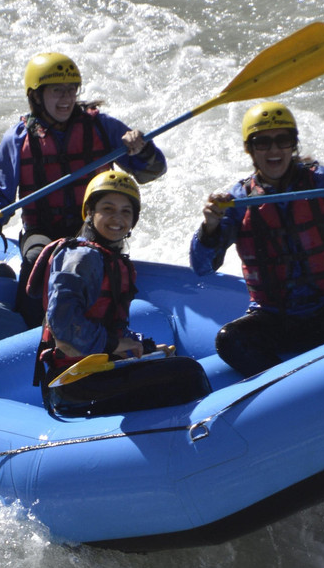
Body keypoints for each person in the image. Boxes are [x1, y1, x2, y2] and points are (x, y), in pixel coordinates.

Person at [190, 101, 324, 377]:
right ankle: (288, 384)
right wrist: (210, 225)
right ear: (250, 149)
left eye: (282, 140)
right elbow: (202, 266)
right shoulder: (238, 200)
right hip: (277, 319)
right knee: (229, 339)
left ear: (293, 145)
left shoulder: (321, 181)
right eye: (262, 142)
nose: (274, 150)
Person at [0, 52, 168, 326]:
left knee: (90, 256)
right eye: (57, 91)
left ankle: (105, 322)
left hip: (93, 226)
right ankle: (32, 325)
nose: (66, 98)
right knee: (38, 257)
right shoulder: (17, 139)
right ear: (37, 96)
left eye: (71, 89)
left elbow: (152, 171)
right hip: (42, 230)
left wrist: (142, 149)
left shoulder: (103, 127)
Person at [28, 171, 210, 416]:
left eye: (126, 211)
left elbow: (108, 326)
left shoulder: (108, 258)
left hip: (95, 373)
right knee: (187, 373)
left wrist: (141, 346)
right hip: (71, 384)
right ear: (90, 212)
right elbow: (64, 328)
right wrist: (115, 344)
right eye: (108, 209)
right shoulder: (81, 257)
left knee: (172, 364)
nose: (118, 218)